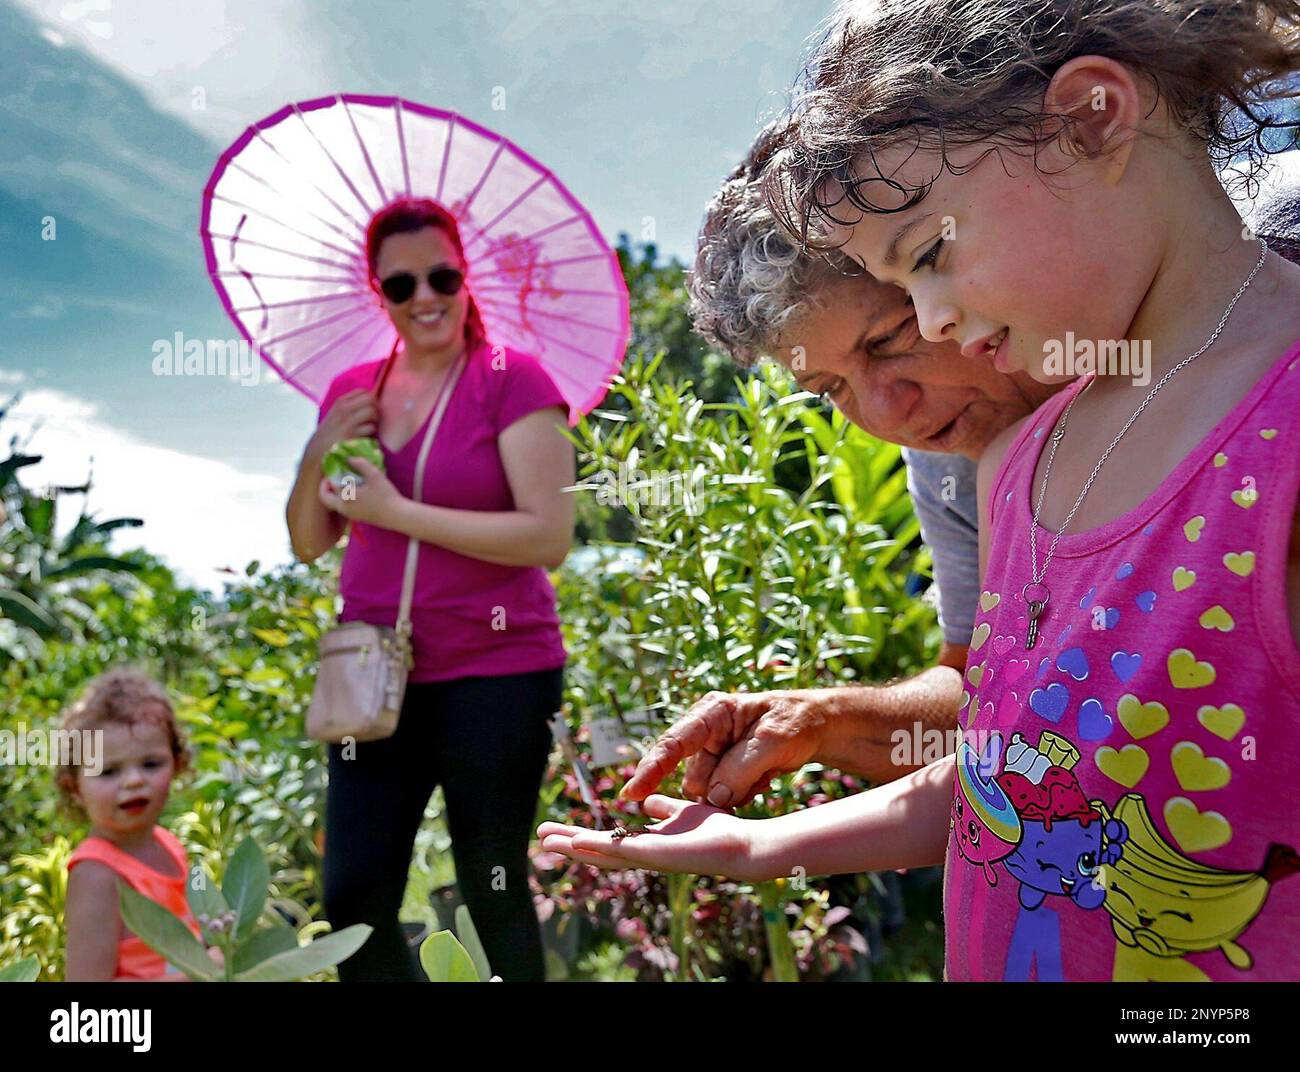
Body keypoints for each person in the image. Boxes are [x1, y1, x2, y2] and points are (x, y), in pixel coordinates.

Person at [541, 0, 1300, 981]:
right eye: (826, 391)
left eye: (906, 304)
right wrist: (782, 802)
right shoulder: (1003, 468)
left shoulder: (1258, 410)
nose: (894, 399)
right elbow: (1014, 757)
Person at [621, 125, 1300, 810]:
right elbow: (987, 697)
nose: (889, 412)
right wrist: (823, 720)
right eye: (831, 390)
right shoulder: (949, 468)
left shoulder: (1246, 314)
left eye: (890, 338)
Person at [287, 197, 574, 981]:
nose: (425, 297)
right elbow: (309, 539)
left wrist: (395, 511)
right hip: (375, 672)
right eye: (401, 285)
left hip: (499, 669)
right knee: (350, 900)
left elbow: (548, 535)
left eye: (442, 275)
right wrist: (317, 452)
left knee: (490, 881)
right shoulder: (353, 392)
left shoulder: (511, 380)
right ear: (377, 292)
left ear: (464, 273)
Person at [62, 668, 223, 981]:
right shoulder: (97, 876)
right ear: (75, 788)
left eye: (151, 764)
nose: (134, 781)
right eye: (108, 772)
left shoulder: (169, 844)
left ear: (177, 764)